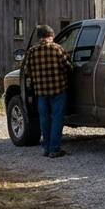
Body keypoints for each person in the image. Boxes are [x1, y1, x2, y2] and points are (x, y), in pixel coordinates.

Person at [22, 24, 72, 158]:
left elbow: (26, 71)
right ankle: (55, 149)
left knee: (44, 119)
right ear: (52, 35)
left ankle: (46, 148)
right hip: (58, 89)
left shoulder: (32, 51)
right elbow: (68, 67)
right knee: (57, 118)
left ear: (39, 37)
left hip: (41, 92)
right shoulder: (58, 49)